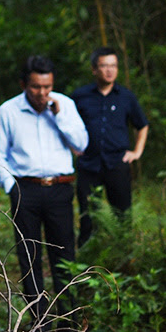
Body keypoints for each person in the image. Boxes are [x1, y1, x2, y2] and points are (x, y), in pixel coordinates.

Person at [0, 56, 89, 332]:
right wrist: (12, 187)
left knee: (64, 255)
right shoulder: (8, 111)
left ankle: (69, 321)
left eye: (47, 86)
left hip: (60, 188)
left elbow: (81, 145)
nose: (42, 93)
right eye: (36, 87)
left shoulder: (65, 105)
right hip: (26, 190)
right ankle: (40, 324)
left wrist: (58, 116)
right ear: (24, 85)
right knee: (29, 257)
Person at [70, 48, 149, 246]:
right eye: (104, 66)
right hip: (89, 164)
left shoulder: (126, 97)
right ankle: (87, 258)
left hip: (117, 163)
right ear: (94, 69)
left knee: (122, 214)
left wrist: (137, 152)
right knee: (88, 216)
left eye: (113, 66)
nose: (109, 70)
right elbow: (66, 124)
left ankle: (124, 256)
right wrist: (72, 147)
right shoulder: (80, 97)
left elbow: (142, 125)